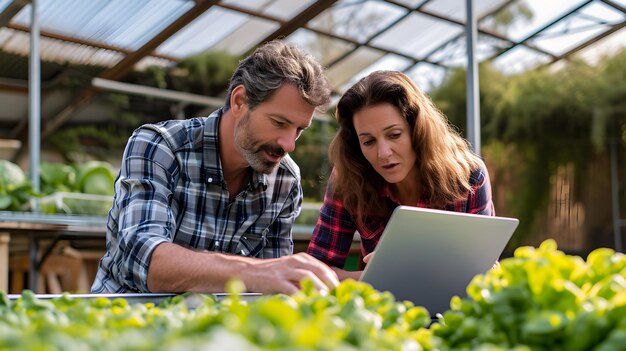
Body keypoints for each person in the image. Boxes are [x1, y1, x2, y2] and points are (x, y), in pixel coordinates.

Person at [92, 40, 339, 295]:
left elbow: (271, 292)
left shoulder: (285, 180)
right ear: (240, 101)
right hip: (128, 317)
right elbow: (143, 260)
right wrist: (252, 272)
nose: (289, 144)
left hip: (217, 329)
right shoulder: (160, 146)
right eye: (279, 122)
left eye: (299, 130)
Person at [307, 70, 495, 280]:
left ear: (418, 129)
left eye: (394, 135)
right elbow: (316, 270)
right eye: (368, 141)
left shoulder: (469, 176)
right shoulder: (347, 178)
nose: (383, 153)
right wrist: (375, 278)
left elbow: (483, 268)